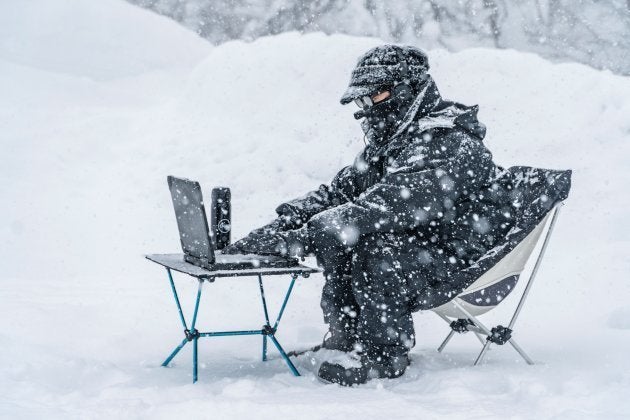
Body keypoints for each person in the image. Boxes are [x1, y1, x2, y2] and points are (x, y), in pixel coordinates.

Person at [223, 44, 514, 385]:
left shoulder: (448, 141)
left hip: (461, 258)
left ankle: (384, 355)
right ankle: (345, 340)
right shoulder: (396, 142)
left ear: (403, 91)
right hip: (424, 247)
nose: (364, 111)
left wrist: (298, 240)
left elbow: (387, 206)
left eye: (370, 99)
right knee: (345, 235)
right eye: (360, 102)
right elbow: (338, 194)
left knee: (370, 244)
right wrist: (281, 225)